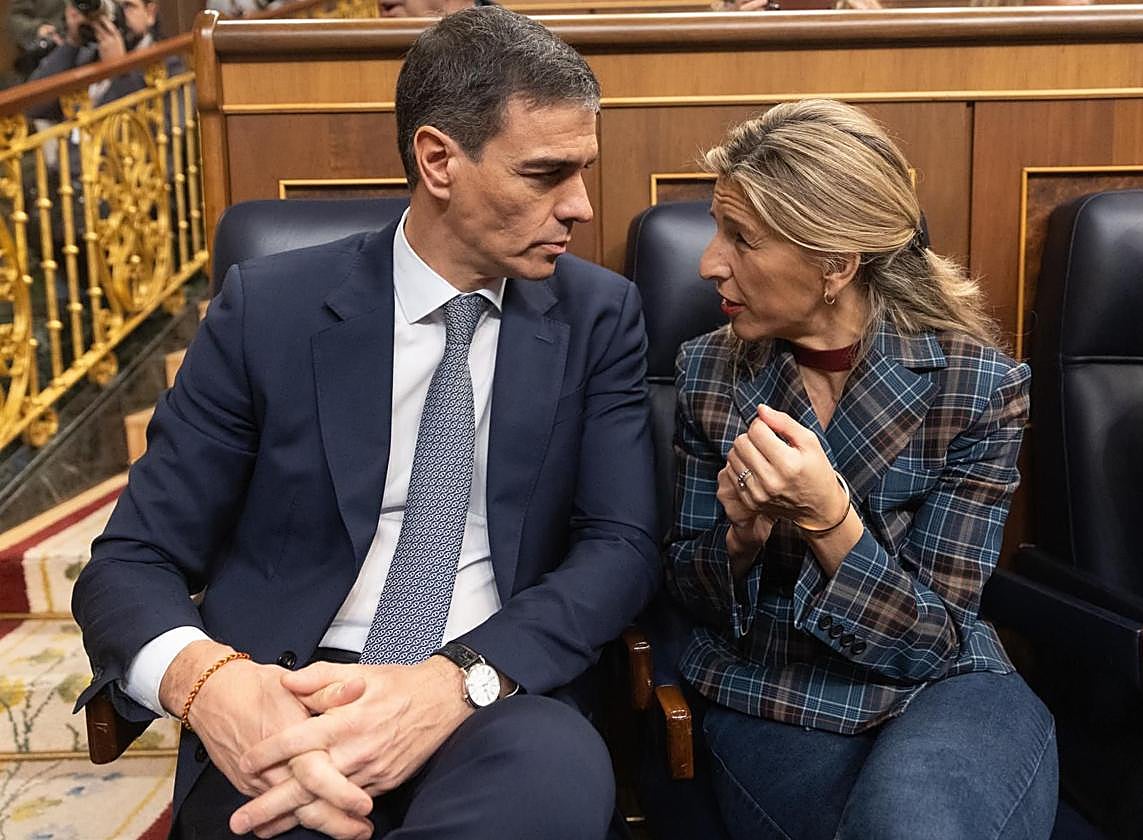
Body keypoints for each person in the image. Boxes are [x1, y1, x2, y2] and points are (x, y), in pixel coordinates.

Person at [70, 7, 659, 839]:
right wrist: (215, 688)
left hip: (496, 700)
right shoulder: (268, 311)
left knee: (550, 781)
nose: (581, 208)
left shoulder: (599, 317)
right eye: (544, 174)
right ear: (437, 160)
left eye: (583, 171)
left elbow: (621, 546)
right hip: (285, 701)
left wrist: (454, 680)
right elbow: (132, 558)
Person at [666, 99, 1058, 839]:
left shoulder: (977, 385)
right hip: (775, 690)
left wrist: (827, 520)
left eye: (740, 238)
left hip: (949, 687)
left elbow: (934, 639)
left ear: (835, 264)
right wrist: (738, 540)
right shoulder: (708, 372)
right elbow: (690, 595)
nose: (708, 262)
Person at [25, 0, 165, 120]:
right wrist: (72, 42)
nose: (117, 16)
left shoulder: (167, 63)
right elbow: (32, 108)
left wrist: (119, 71)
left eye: (127, 6)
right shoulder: (85, 56)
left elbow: (158, 132)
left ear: (150, 13)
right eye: (110, 5)